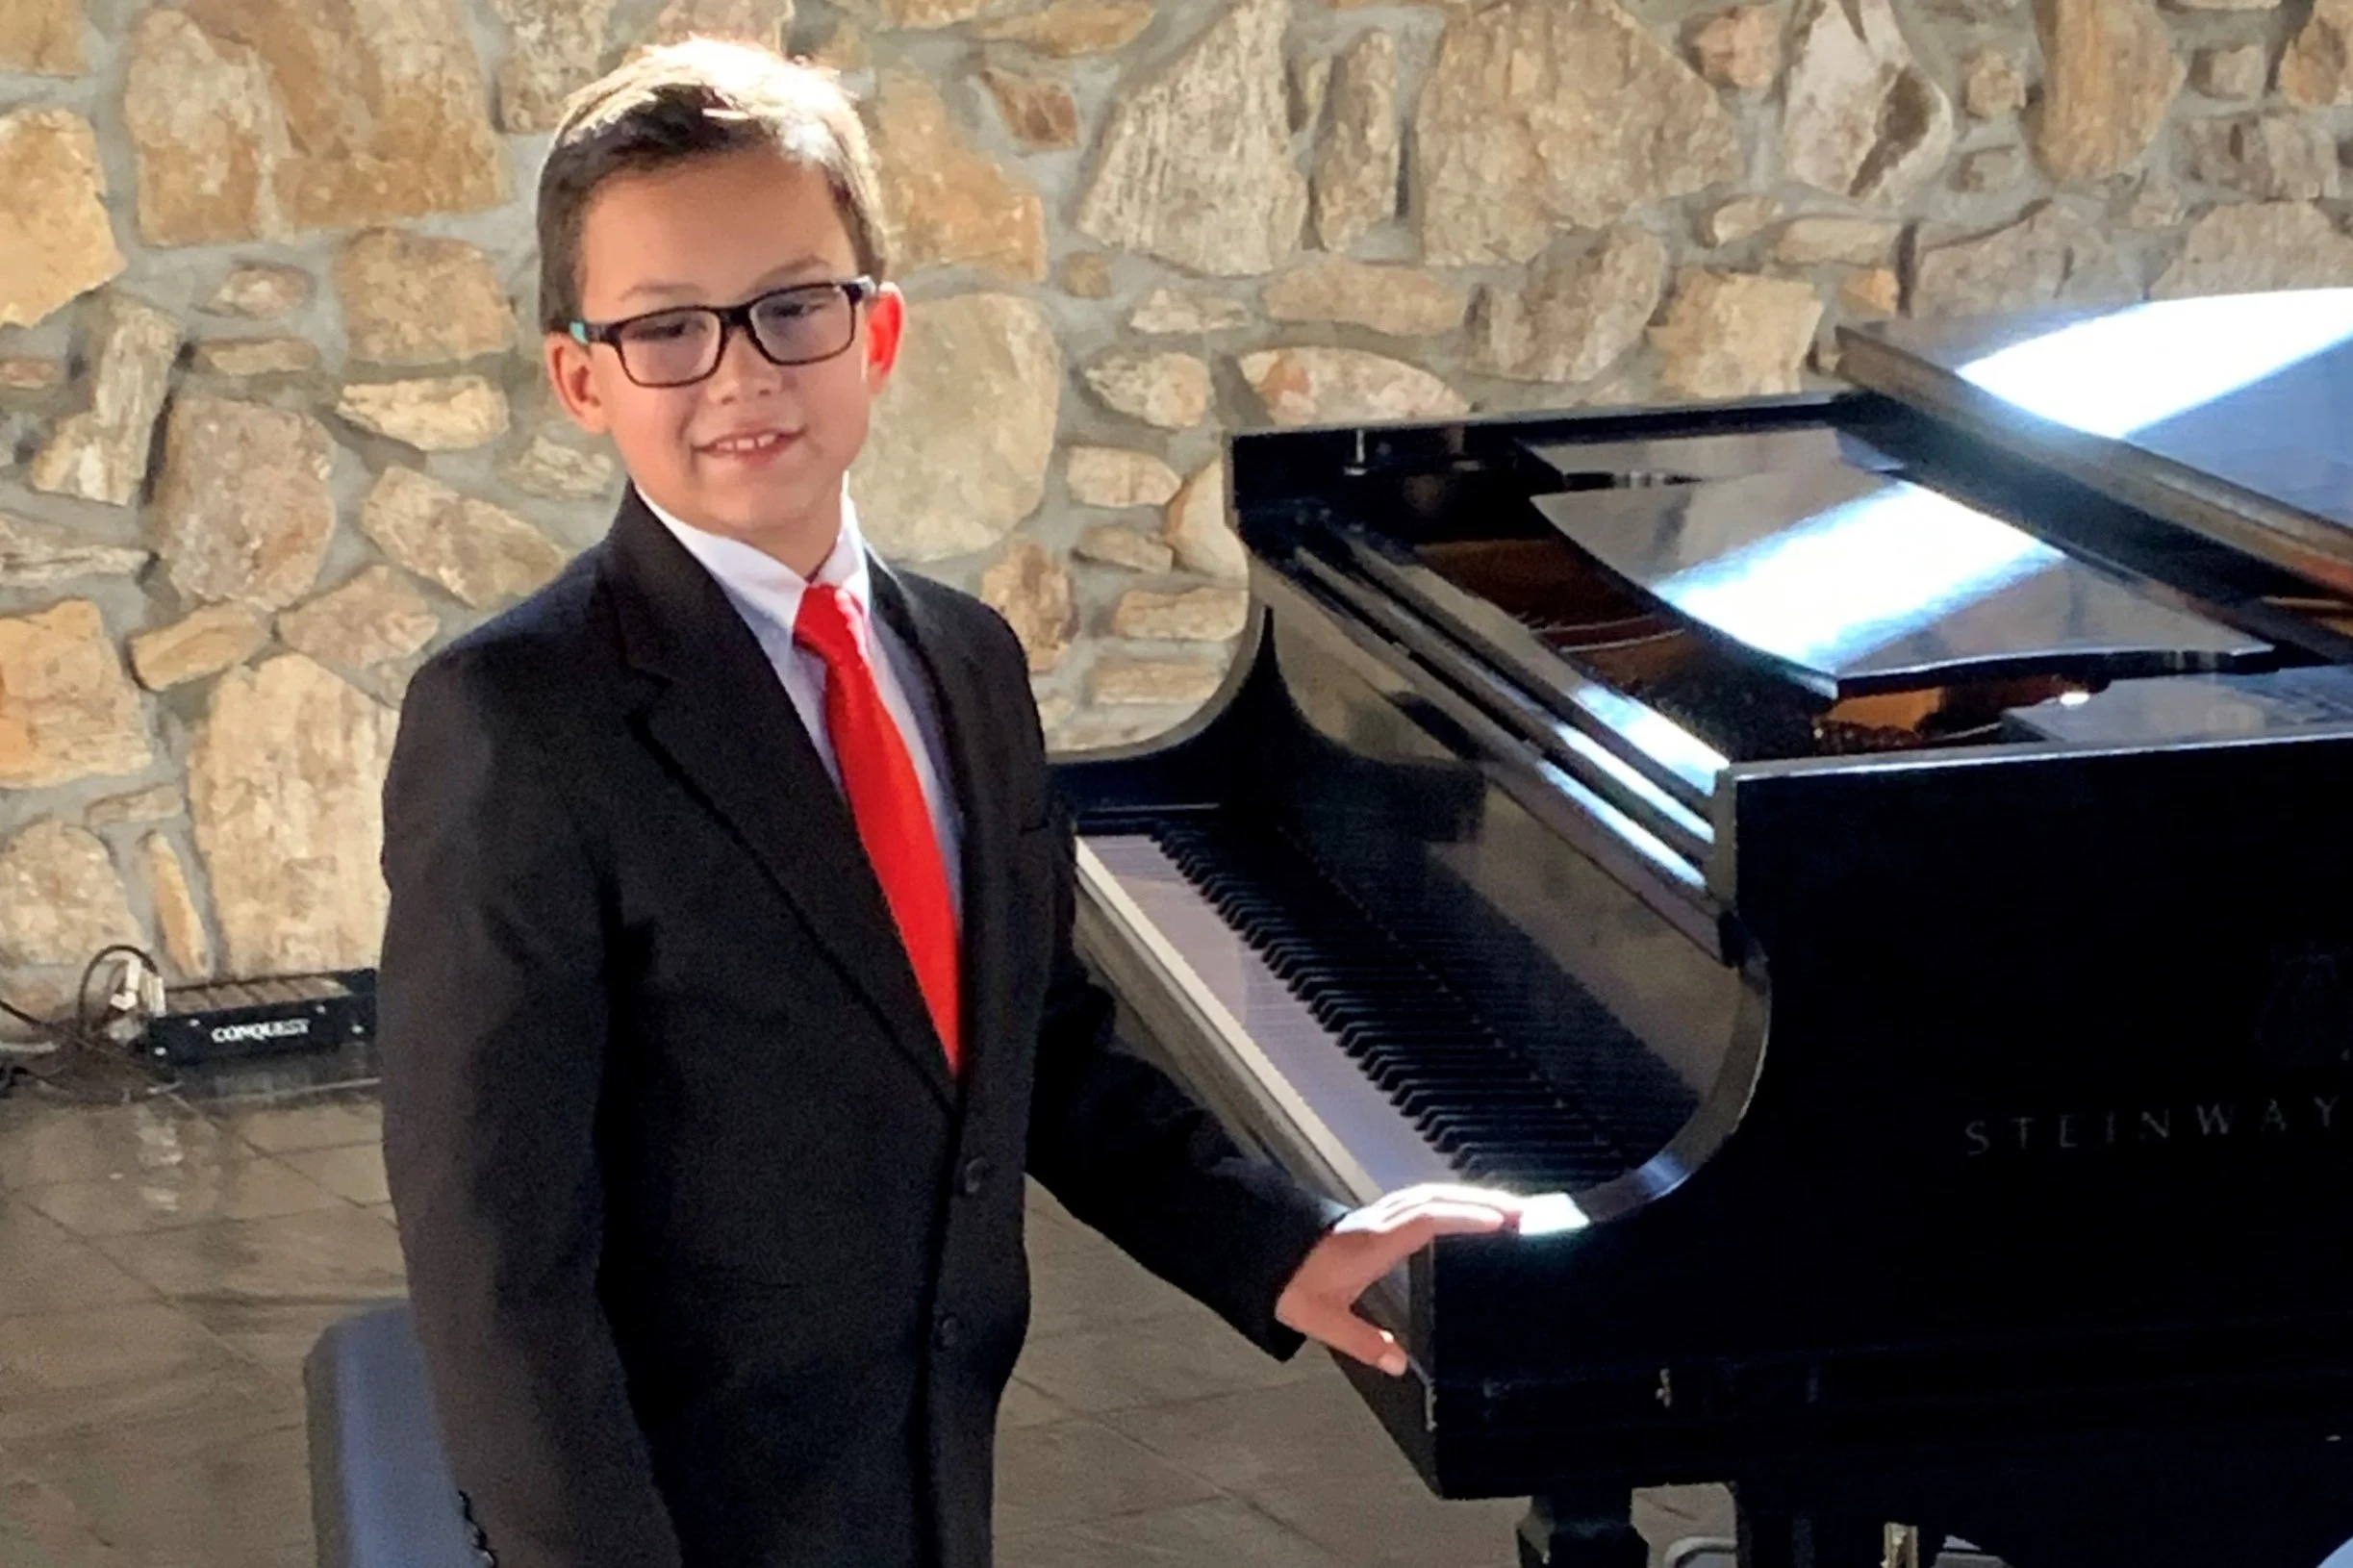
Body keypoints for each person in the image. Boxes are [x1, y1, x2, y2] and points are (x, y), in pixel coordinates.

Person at [377, 37, 1527, 1568]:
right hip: (683, 1516)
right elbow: (495, 1263)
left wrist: (1279, 1240)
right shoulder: (520, 719)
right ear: (581, 377)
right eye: (666, 328)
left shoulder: (963, 661)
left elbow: (1031, 1039)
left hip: (925, 1477)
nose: (740, 372)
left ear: (879, 331)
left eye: (792, 307)